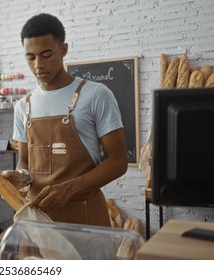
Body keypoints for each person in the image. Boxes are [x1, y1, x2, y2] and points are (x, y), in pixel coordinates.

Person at [10, 13, 128, 226]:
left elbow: (118, 162)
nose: (38, 65)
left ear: (63, 50)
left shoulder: (96, 95)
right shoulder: (22, 106)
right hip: (37, 223)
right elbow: (25, 160)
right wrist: (20, 176)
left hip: (84, 220)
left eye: (46, 55)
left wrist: (69, 188)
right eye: (31, 57)